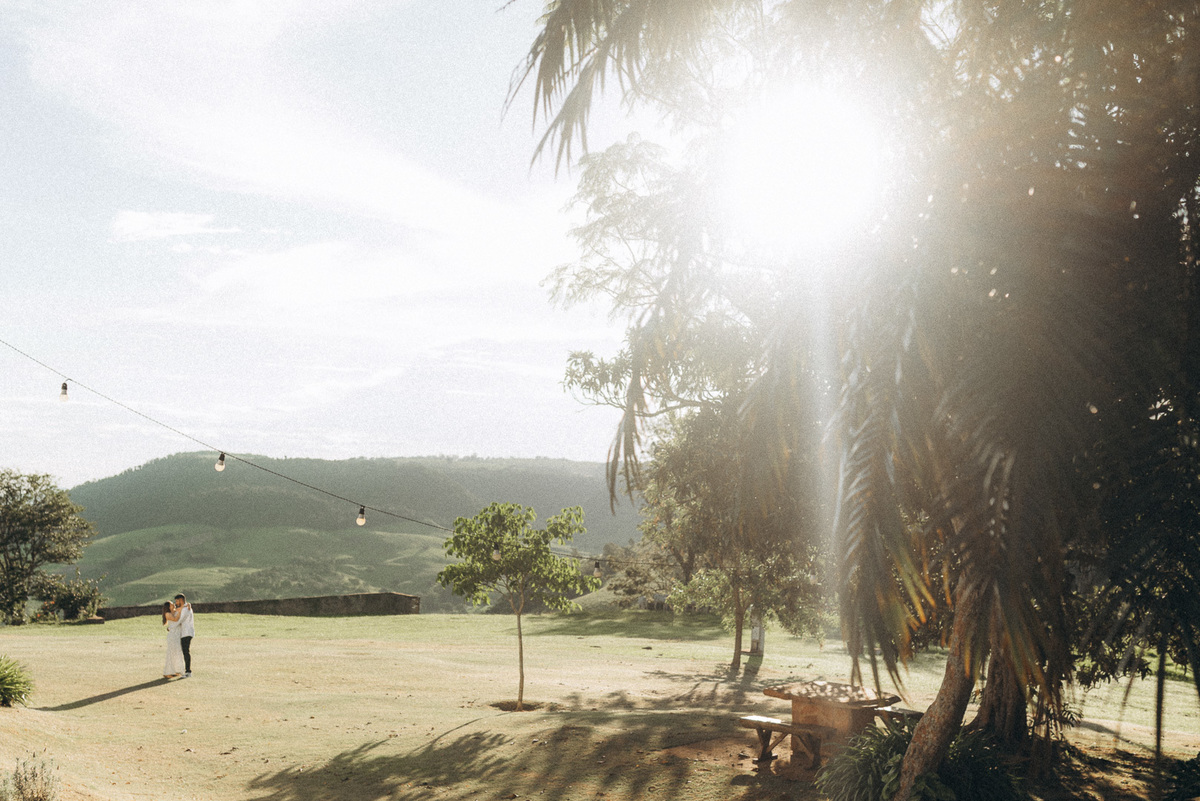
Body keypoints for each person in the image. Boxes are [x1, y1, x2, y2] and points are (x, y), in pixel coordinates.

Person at [162, 601, 185, 678]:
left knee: (176, 652)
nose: (173, 604)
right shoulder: (167, 614)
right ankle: (167, 672)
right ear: (168, 607)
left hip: (177, 635)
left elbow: (181, 609)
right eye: (172, 604)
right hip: (172, 636)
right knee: (171, 653)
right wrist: (179, 612)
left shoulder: (174, 611)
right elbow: (175, 619)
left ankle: (175, 670)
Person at [174, 593, 195, 678]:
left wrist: (171, 627)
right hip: (184, 633)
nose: (176, 602)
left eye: (177, 601)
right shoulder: (184, 608)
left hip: (187, 633)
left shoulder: (186, 609)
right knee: (184, 651)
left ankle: (188, 671)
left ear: (181, 600)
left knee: (186, 651)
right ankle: (185, 670)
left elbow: (180, 620)